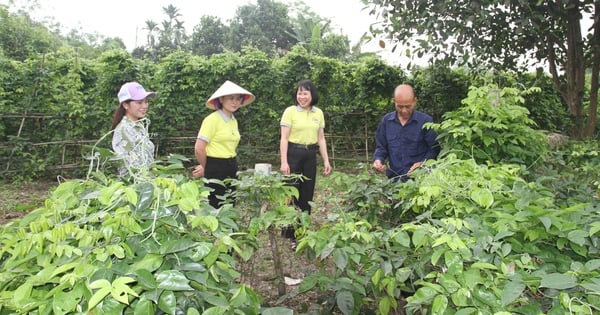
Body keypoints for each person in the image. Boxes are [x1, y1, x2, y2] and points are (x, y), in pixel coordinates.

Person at [280, 79, 332, 246]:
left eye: (305, 93)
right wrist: (284, 161)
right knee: (291, 192)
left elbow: (321, 139)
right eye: (299, 93)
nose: (302, 96)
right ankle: (289, 233)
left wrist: (326, 160)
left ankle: (301, 233)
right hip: (293, 154)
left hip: (310, 155)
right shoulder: (290, 111)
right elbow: (284, 138)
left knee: (306, 194)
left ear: (312, 95)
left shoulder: (319, 113)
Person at [192, 80, 255, 208]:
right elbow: (199, 148)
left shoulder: (233, 120)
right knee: (217, 206)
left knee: (230, 204)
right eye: (231, 98)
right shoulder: (212, 120)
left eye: (238, 99)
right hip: (215, 167)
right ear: (221, 99)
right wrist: (207, 167)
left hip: (231, 165)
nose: (235, 102)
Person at [373, 84, 440, 182]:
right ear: (394, 101)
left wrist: (422, 163)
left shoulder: (426, 121)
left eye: (408, 106)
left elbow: (434, 149)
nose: (404, 110)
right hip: (394, 180)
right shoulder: (386, 121)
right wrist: (378, 160)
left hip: (420, 180)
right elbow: (381, 147)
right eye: (400, 106)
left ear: (415, 101)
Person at [111, 81, 157, 177]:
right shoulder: (124, 129)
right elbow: (133, 167)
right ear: (125, 105)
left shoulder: (138, 126)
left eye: (146, 102)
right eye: (139, 102)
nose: (144, 106)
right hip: (135, 184)